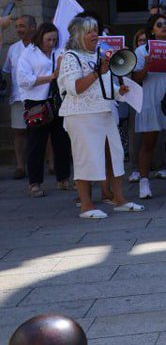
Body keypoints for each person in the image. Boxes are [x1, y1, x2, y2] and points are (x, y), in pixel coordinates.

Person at [58, 16, 145, 218]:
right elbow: (75, 88)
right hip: (81, 116)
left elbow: (103, 87)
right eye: (89, 31)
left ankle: (120, 200)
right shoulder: (70, 57)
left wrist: (119, 91)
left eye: (95, 30)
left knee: (114, 156)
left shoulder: (99, 54)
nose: (95, 34)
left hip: (104, 111)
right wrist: (97, 72)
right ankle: (86, 206)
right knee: (85, 159)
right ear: (79, 35)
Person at [130, 13, 166, 198]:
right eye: (159, 24)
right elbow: (136, 78)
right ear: (152, 30)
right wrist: (146, 65)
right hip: (150, 98)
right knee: (148, 142)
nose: (164, 27)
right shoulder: (141, 51)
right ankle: (144, 183)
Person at [16, 23, 71, 197]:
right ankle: (34, 183)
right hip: (36, 102)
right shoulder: (28, 54)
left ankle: (63, 178)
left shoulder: (59, 52)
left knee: (62, 141)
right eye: (48, 39)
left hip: (57, 100)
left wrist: (61, 71)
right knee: (36, 144)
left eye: (54, 39)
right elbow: (24, 80)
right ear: (40, 37)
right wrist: (51, 76)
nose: (51, 43)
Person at [3, 15, 35, 180]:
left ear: (32, 28)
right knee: (19, 132)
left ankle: (50, 165)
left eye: (22, 26)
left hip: (38, 96)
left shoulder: (40, 47)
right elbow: (7, 71)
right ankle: (20, 166)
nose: (19, 30)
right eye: (17, 26)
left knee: (43, 131)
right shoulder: (13, 48)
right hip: (17, 97)